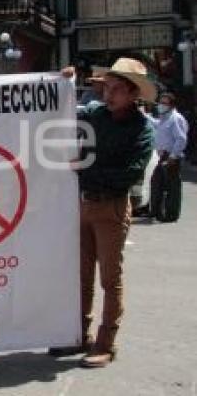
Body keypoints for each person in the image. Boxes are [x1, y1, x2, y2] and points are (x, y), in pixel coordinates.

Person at [50, 58, 155, 368]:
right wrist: (63, 84)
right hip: (84, 204)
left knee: (110, 279)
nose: (109, 95)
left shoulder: (142, 130)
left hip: (112, 207)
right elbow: (64, 111)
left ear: (133, 93)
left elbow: (129, 174)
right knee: (80, 275)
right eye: (107, 88)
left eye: (117, 89)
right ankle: (78, 334)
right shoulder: (95, 114)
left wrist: (85, 170)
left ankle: (106, 342)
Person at [146, 92, 188, 223]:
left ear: (171, 105)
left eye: (164, 103)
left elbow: (181, 139)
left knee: (172, 187)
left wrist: (173, 156)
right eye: (161, 102)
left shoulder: (176, 118)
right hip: (163, 155)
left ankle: (171, 215)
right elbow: (157, 125)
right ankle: (156, 212)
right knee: (157, 183)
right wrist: (144, 115)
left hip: (170, 156)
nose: (161, 105)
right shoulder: (165, 117)